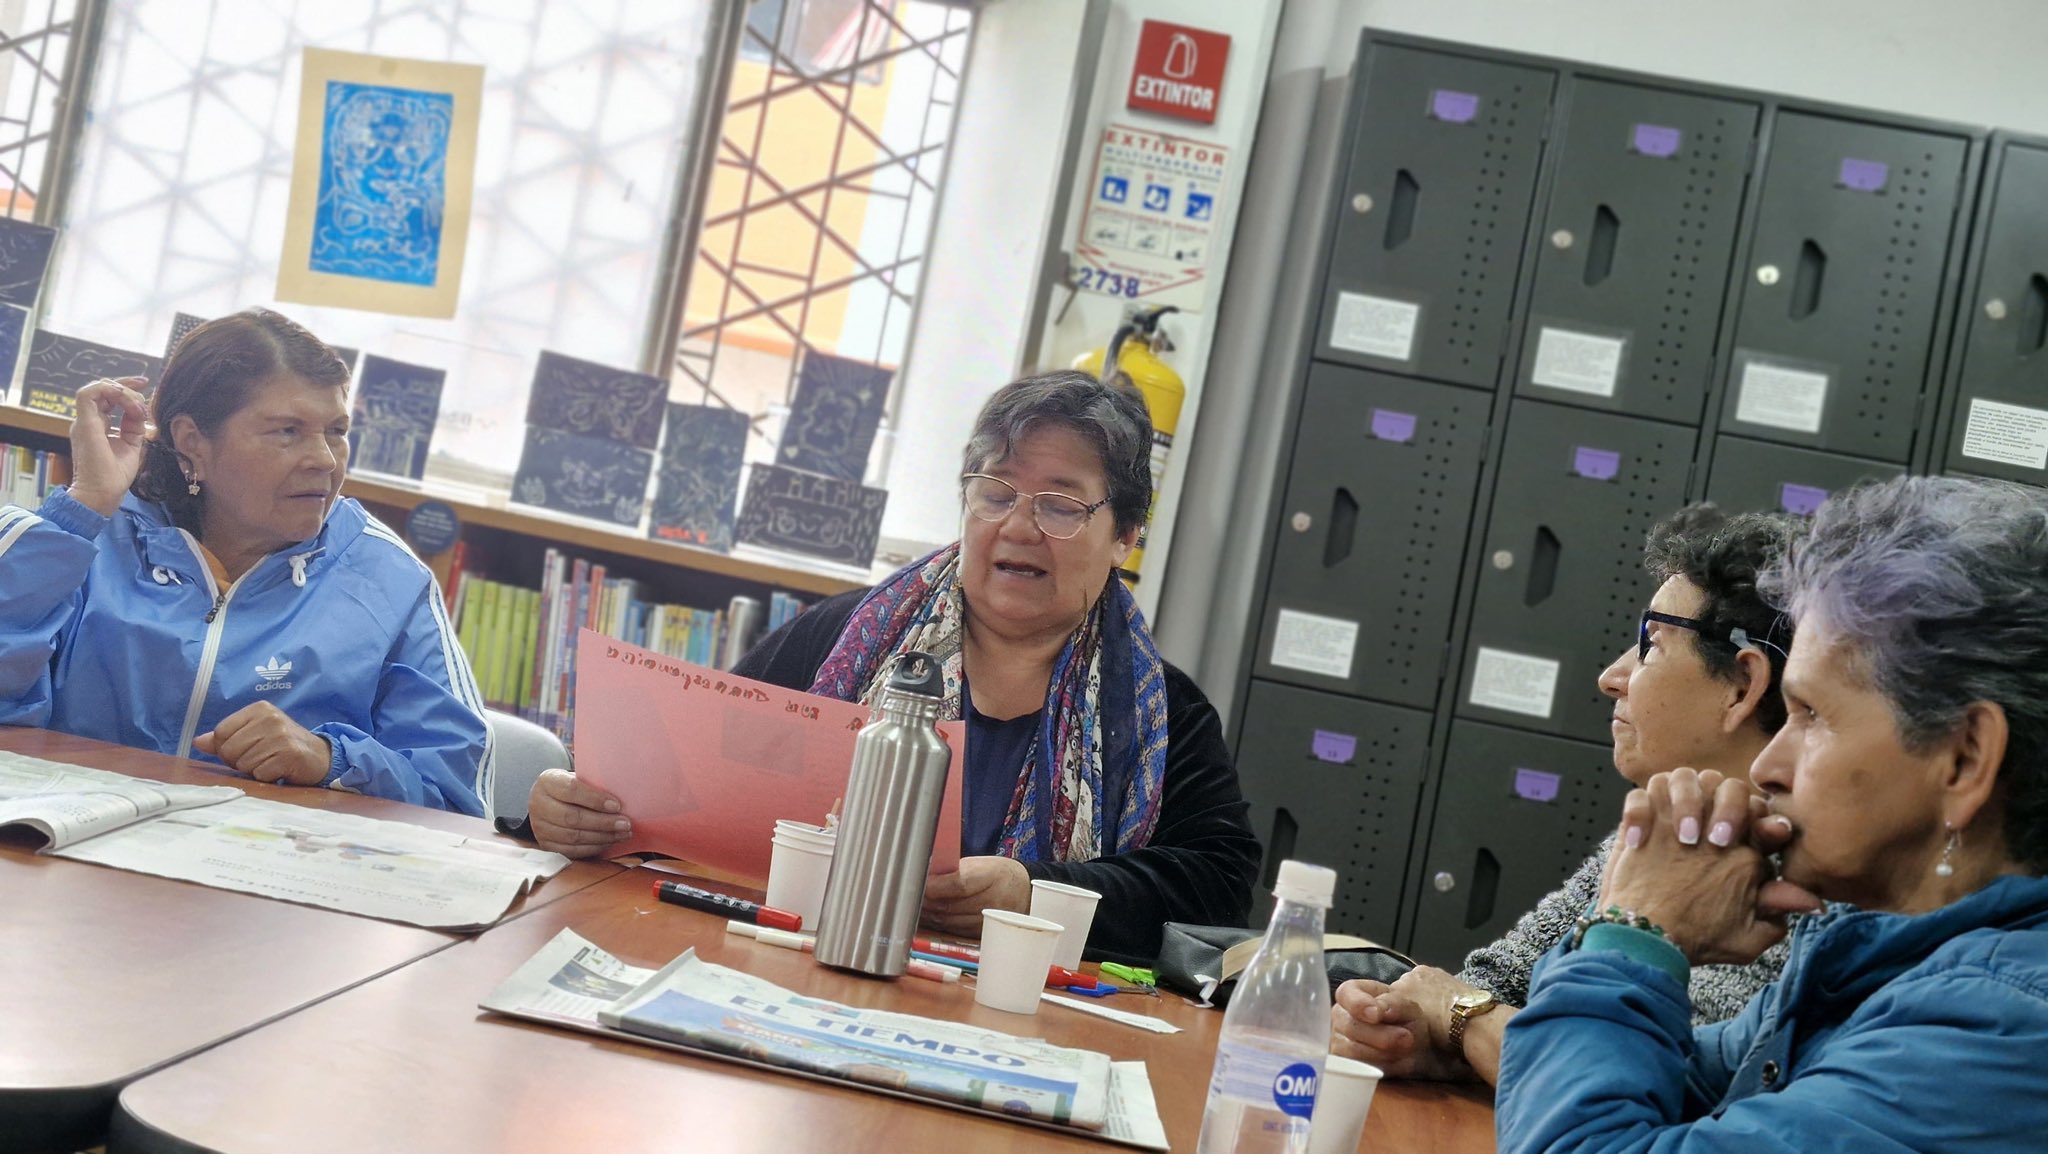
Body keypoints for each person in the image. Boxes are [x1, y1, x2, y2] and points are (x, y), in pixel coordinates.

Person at [527, 370, 1260, 961]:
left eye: (1060, 506)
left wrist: (1031, 890)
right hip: (800, 970)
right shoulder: (844, 637)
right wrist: (566, 809)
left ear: (1126, 534)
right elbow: (681, 778)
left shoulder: (1161, 713)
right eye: (996, 493)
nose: (1017, 525)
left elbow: (1217, 887)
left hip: (1025, 1016)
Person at [1496, 475, 2048, 1152]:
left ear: (1964, 759)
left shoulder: (1999, 1031)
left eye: (1811, 715)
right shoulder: (1879, 954)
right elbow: (1686, 1087)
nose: (1767, 767)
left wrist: (1633, 933)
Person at [1332, 505, 1799, 1085]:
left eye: (1651, 644)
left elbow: (1637, 1080)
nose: (1611, 677)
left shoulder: (1800, 884)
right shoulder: (1660, 829)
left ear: (1742, 686)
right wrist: (1418, 1034)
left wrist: (1461, 1018)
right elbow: (1494, 985)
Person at [0, 308, 489, 814]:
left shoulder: (390, 578)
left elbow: (457, 797)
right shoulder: (84, 537)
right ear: (192, 442)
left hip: (269, 857)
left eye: (337, 431)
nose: (324, 459)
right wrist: (84, 507)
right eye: (287, 431)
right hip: (67, 845)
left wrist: (333, 761)